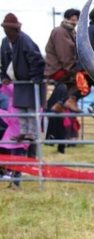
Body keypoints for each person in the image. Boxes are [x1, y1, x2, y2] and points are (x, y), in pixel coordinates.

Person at [0, 13, 46, 143]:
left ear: (15, 29)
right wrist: (4, 76)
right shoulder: (5, 42)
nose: (6, 32)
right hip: (19, 81)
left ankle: (32, 133)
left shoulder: (24, 40)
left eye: (8, 29)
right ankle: (23, 132)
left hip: (30, 80)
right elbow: (4, 62)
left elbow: (35, 58)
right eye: (5, 29)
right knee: (20, 108)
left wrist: (35, 77)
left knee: (32, 108)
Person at [43, 8, 83, 113]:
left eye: (76, 19)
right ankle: (65, 102)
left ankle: (63, 104)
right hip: (59, 69)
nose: (74, 21)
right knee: (83, 81)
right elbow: (65, 55)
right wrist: (74, 71)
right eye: (72, 18)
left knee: (81, 81)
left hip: (63, 69)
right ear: (66, 18)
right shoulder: (60, 32)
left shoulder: (70, 32)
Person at [0, 83, 30, 188]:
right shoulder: (13, 100)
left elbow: (12, 119)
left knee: (17, 159)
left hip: (19, 134)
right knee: (15, 159)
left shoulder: (21, 100)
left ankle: (15, 182)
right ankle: (14, 182)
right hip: (14, 133)